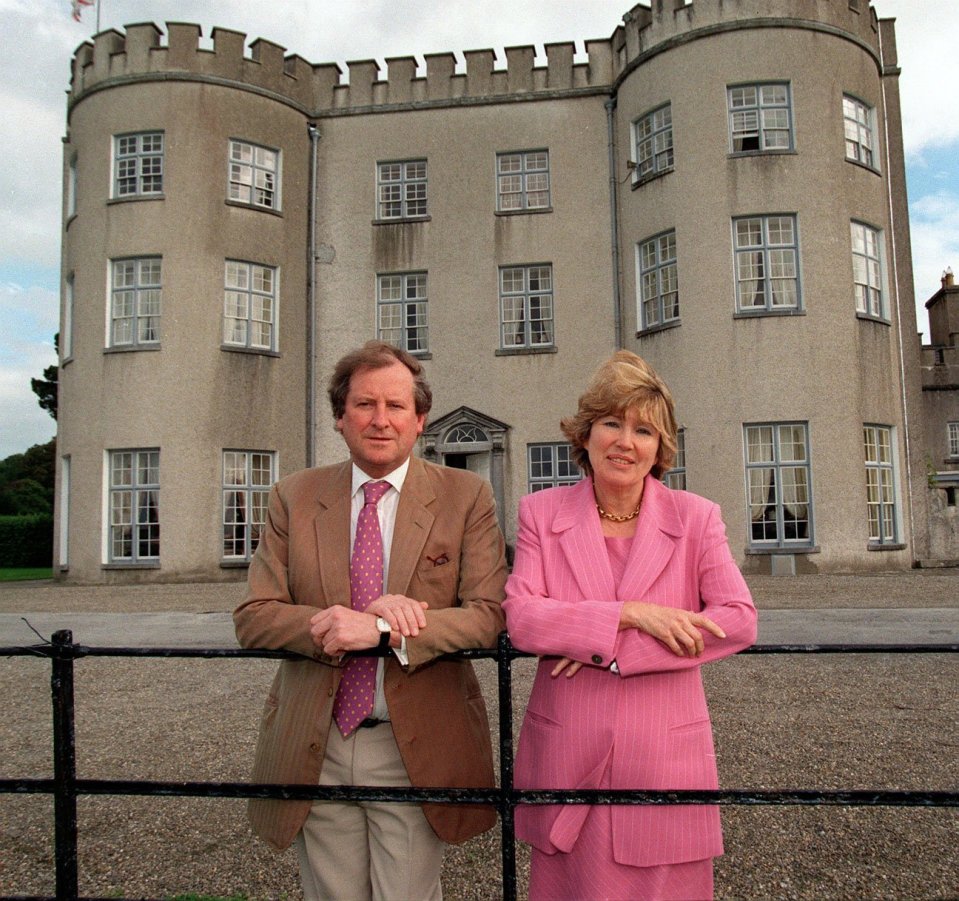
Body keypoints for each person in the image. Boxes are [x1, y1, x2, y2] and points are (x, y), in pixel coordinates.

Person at [234, 340, 507, 901]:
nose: (380, 420)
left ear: (420, 418)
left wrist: (385, 630)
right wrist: (337, 621)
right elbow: (255, 617)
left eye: (396, 405)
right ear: (340, 417)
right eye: (364, 404)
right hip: (318, 742)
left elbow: (489, 614)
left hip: (414, 745)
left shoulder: (466, 496)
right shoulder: (294, 497)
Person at [503, 350, 757, 901]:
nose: (625, 441)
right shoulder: (540, 515)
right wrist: (628, 614)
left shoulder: (696, 518)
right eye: (611, 423)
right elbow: (522, 619)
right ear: (586, 434)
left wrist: (619, 652)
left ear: (660, 447)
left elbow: (737, 619)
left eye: (643, 429)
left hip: (662, 758)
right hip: (569, 755)